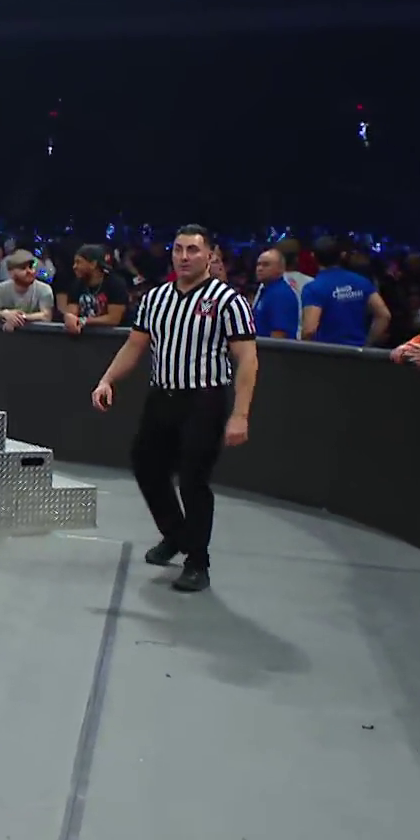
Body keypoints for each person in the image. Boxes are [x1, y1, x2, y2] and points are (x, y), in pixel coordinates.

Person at [91, 226, 258, 593]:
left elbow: (247, 358)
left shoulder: (227, 300)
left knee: (193, 478)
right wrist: (107, 380)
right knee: (146, 465)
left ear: (210, 255)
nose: (184, 257)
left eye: (193, 250)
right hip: (162, 395)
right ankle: (177, 534)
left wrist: (240, 414)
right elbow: (134, 346)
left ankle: (198, 562)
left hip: (204, 398)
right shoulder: (156, 298)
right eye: (179, 249)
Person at [300, 236, 390, 346]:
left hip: (327, 353)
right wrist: (367, 344)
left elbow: (309, 330)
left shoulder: (314, 288)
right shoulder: (361, 281)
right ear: (342, 255)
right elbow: (384, 315)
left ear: (313, 256)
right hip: (357, 352)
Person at [60, 245, 130, 333]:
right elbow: (72, 312)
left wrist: (84, 321)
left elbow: (113, 319)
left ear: (93, 264)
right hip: (83, 336)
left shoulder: (115, 284)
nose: (74, 266)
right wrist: (70, 318)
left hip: (113, 337)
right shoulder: (77, 284)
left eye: (79, 262)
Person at [250, 248, 300, 339]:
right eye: (258, 264)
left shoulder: (281, 294)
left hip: (272, 347)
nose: (260, 268)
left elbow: (279, 334)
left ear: (280, 269)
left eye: (266, 265)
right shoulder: (266, 290)